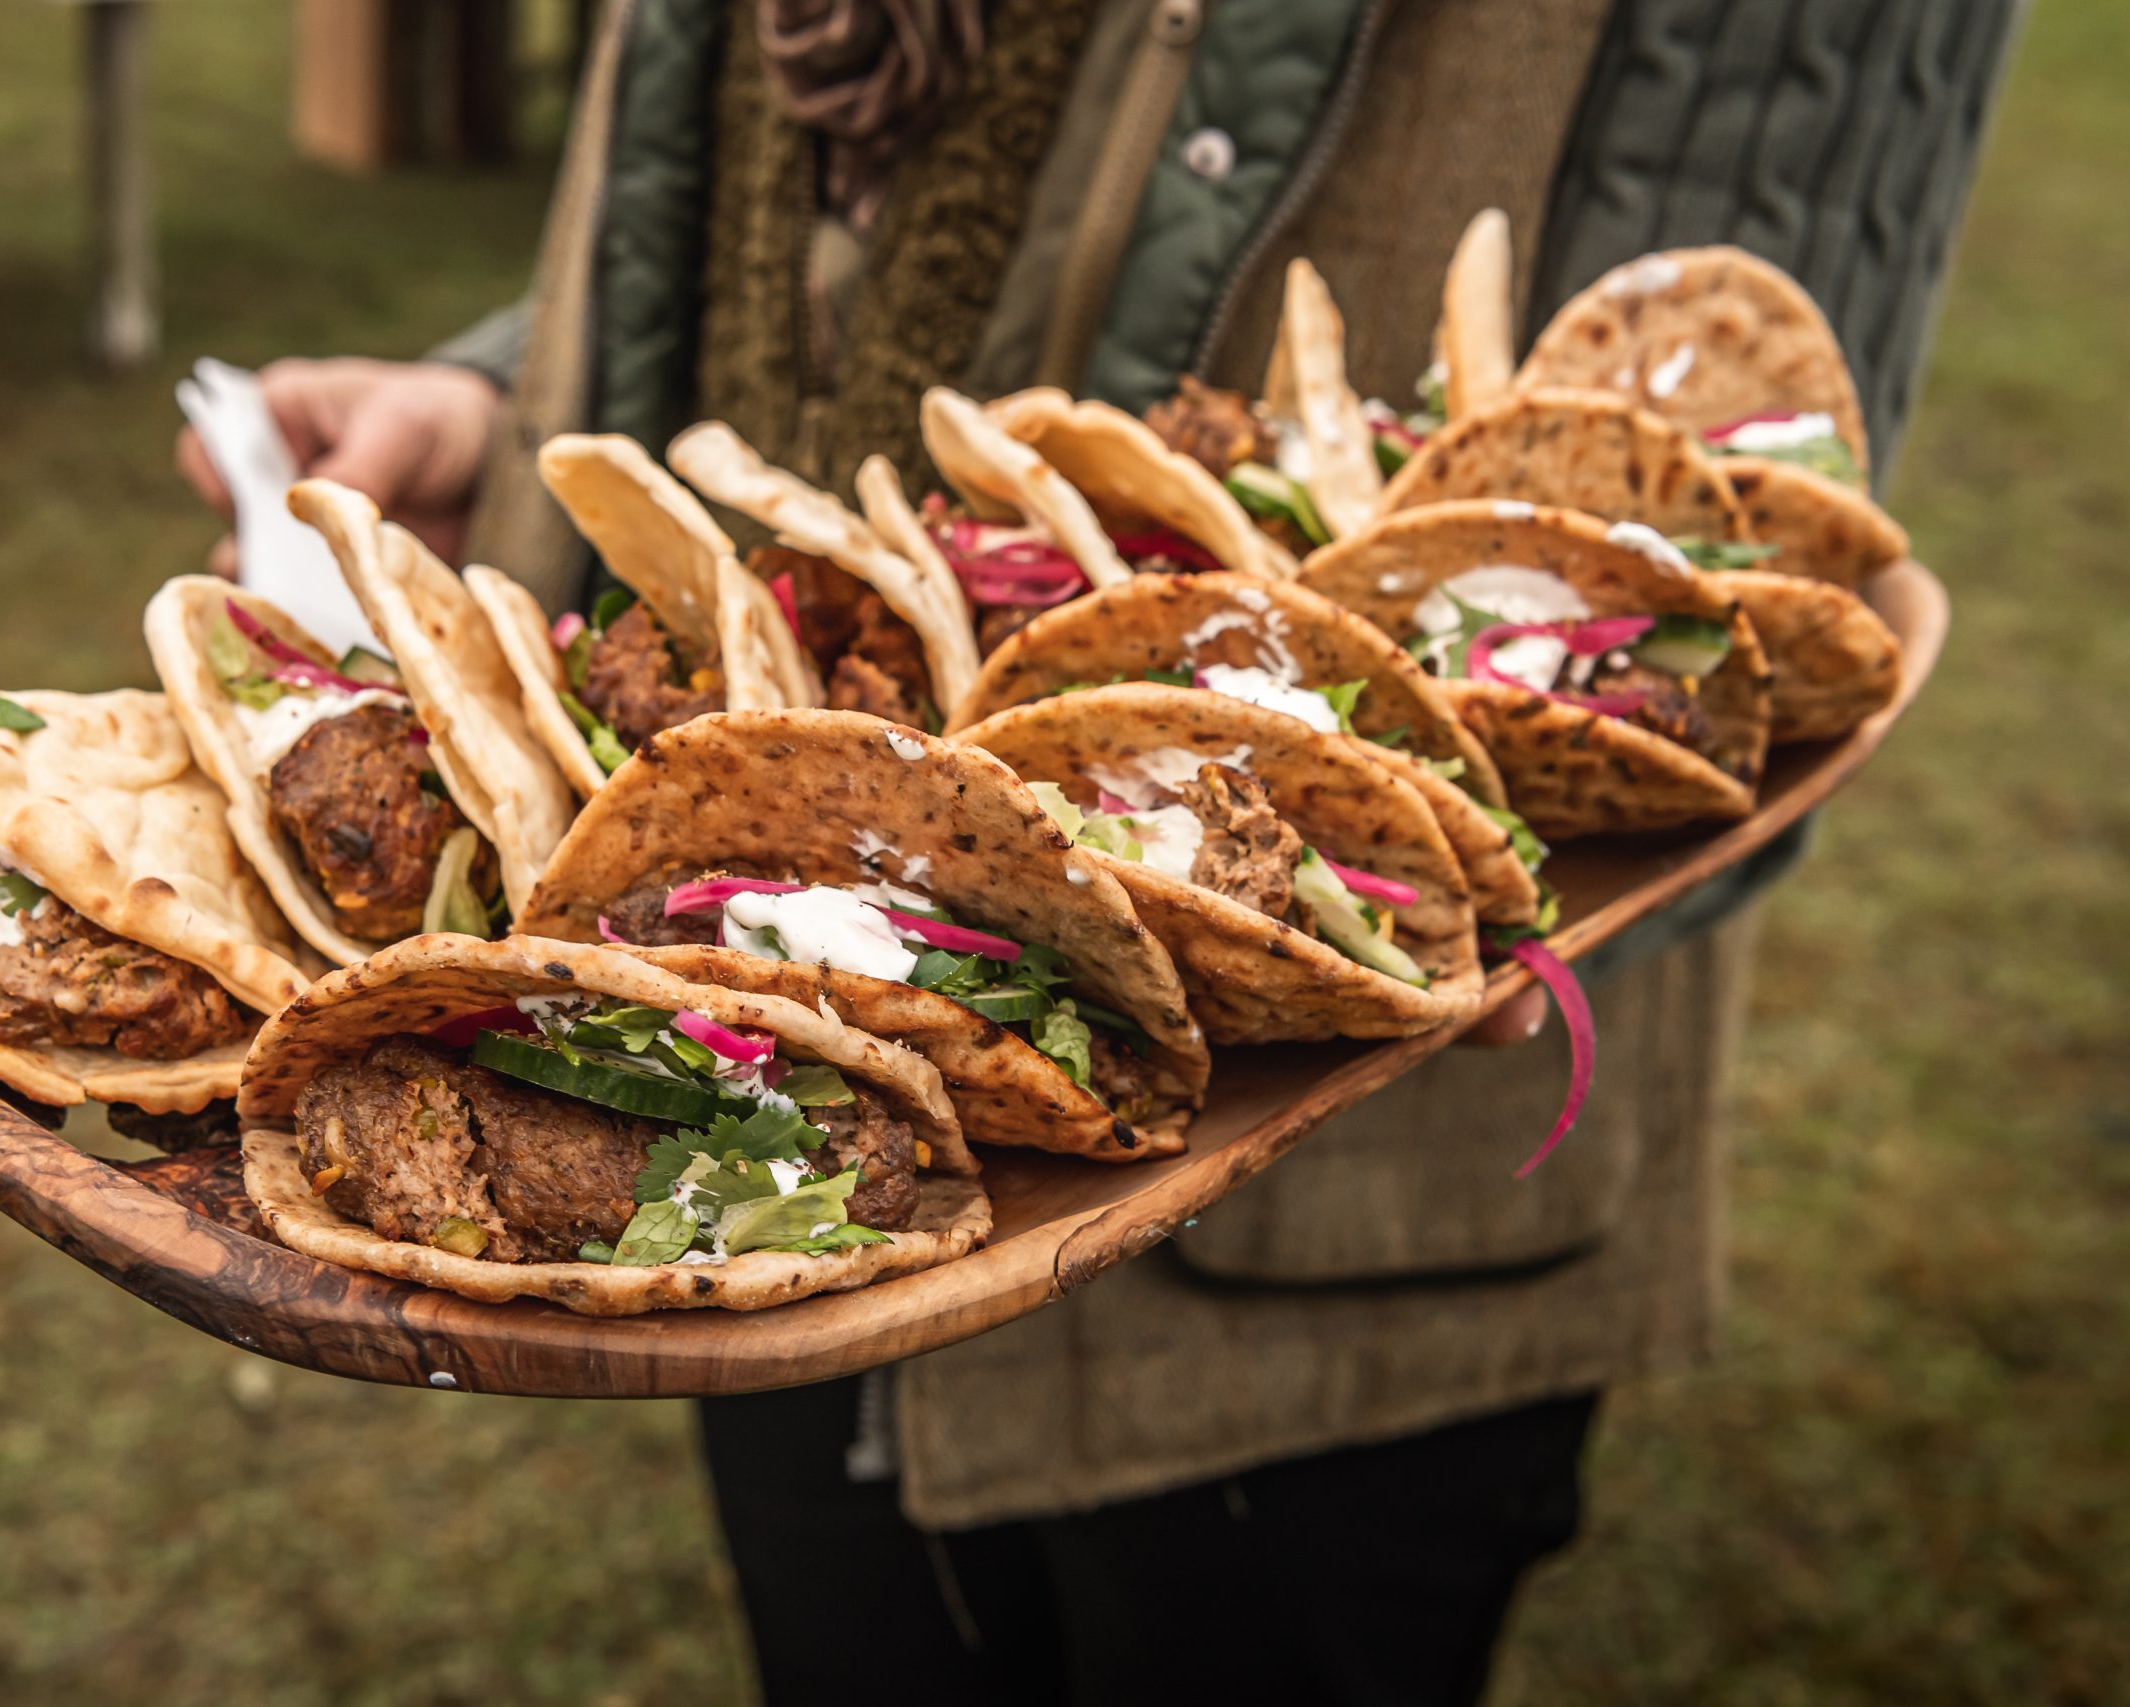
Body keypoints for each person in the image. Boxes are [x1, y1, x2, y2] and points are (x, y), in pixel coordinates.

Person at [180, 3, 2018, 1699]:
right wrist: (520, 394)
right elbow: (776, 165)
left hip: (1330, 1277)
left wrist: (1509, 826)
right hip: (727, 1057)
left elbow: (1742, 544)